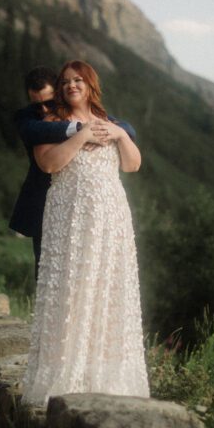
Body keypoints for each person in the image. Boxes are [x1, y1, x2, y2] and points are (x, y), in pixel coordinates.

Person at [19, 60, 150, 407]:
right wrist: (81, 136)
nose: (71, 85)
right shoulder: (51, 123)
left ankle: (105, 378)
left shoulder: (112, 124)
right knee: (71, 290)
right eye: (65, 81)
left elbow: (132, 165)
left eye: (78, 80)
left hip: (111, 217)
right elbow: (49, 165)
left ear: (91, 85)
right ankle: (64, 377)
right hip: (70, 215)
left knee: (108, 289)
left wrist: (121, 134)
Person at [8, 67, 134, 277]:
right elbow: (35, 131)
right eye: (37, 105)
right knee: (48, 272)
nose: (44, 110)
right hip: (44, 201)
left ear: (58, 94)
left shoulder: (82, 113)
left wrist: (119, 131)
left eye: (49, 103)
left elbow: (126, 127)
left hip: (88, 208)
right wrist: (81, 129)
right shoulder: (29, 120)